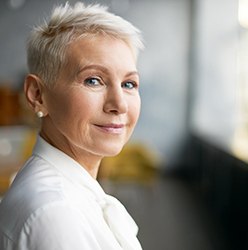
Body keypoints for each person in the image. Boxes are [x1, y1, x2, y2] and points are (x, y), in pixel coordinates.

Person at [0, 2, 144, 249]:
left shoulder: (64, 196)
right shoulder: (55, 213)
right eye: (93, 80)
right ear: (37, 95)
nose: (119, 104)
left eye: (128, 84)